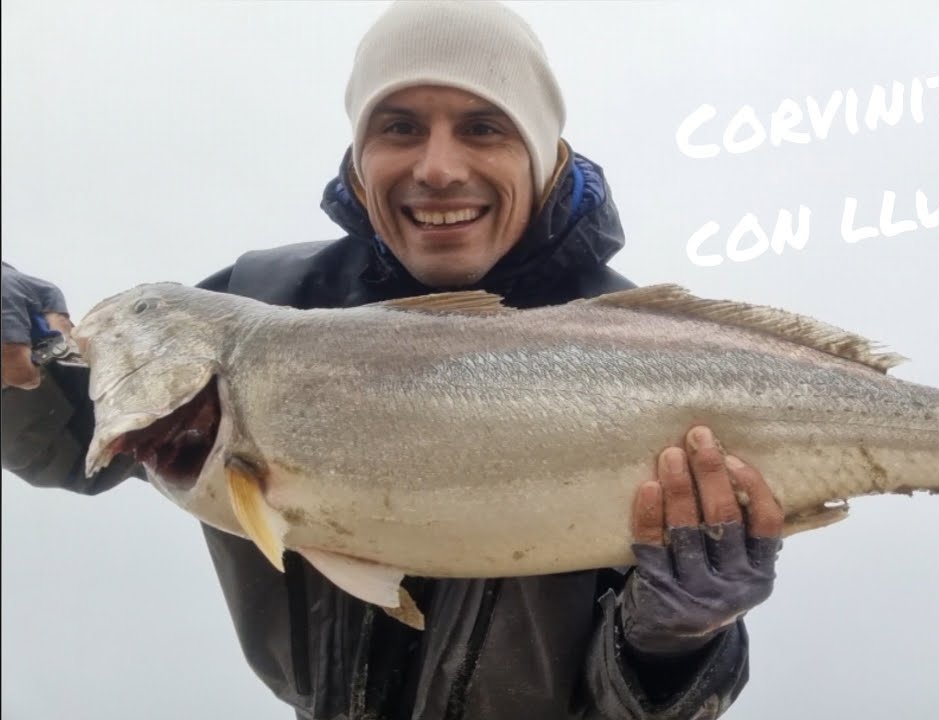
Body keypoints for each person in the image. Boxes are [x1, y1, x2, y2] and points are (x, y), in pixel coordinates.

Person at [0, 2, 784, 719]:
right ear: (357, 157)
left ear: (545, 155)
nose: (438, 167)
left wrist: (678, 638)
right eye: (399, 126)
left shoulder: (639, 340)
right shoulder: (260, 303)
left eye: (484, 127)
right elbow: (76, 434)